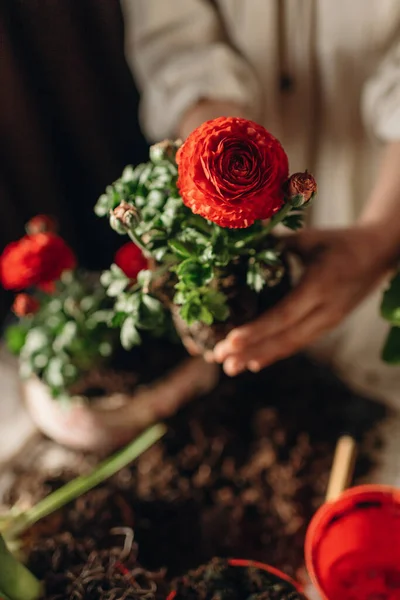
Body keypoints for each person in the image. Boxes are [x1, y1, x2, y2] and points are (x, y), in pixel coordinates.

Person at [120, 0, 400, 403]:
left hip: (382, 183)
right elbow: (172, 32)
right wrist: (214, 149)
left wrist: (381, 236)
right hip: (242, 133)